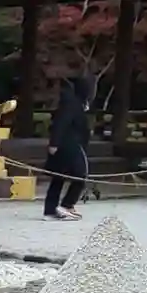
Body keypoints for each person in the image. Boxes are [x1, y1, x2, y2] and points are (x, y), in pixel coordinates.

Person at [44, 75, 93, 220]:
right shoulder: (72, 103)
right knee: (81, 174)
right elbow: (61, 123)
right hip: (71, 144)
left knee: (59, 177)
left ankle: (50, 210)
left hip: (65, 144)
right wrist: (54, 143)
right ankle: (67, 205)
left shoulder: (74, 102)